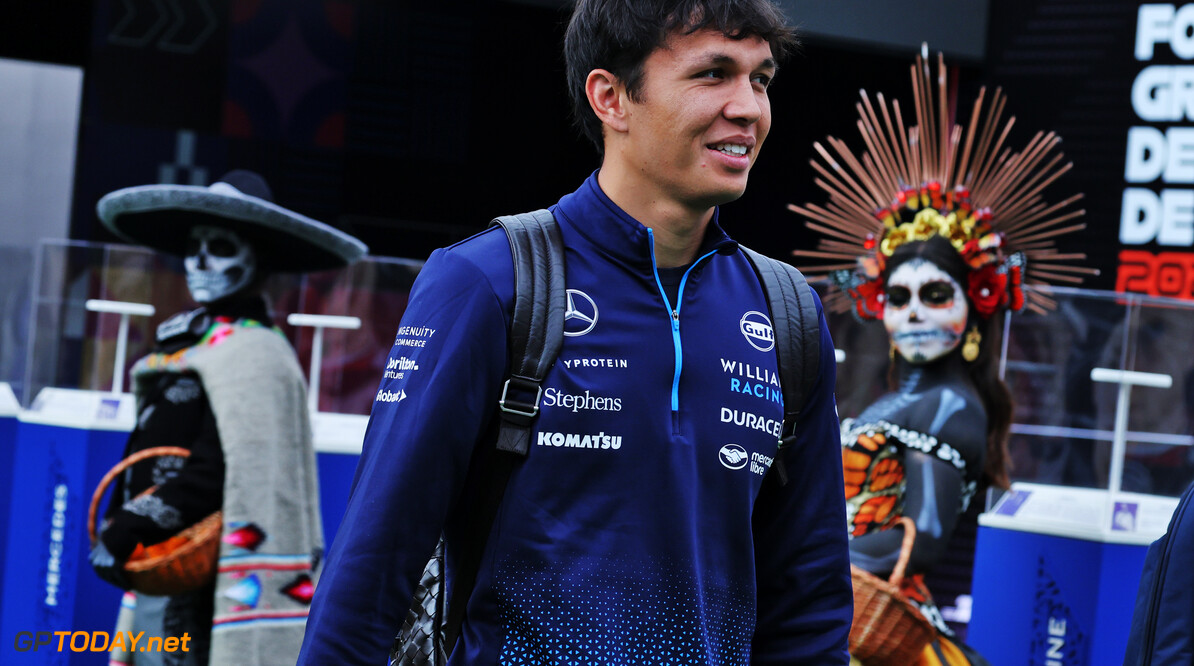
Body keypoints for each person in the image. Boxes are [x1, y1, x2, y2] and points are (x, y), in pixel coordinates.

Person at [299, 1, 853, 664]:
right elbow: (370, 570)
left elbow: (810, 609)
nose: (748, 108)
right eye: (713, 74)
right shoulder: (486, 281)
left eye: (760, 79)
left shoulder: (789, 313)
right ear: (611, 97)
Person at [790, 49, 1091, 665]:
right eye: (898, 298)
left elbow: (921, 541)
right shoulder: (901, 397)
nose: (915, 314)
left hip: (879, 626)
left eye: (934, 295)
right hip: (842, 610)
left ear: (974, 305)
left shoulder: (951, 403)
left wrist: (804, 558)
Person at [89, 170, 367, 665]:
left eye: (218, 246)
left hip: (214, 582)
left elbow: (219, 469)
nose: (197, 261)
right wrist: (124, 520)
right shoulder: (187, 343)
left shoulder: (257, 353)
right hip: (165, 563)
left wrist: (131, 523)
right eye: (192, 246)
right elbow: (145, 453)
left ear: (254, 259)